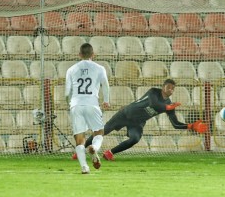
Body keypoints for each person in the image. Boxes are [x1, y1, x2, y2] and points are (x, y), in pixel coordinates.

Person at [74, 79, 209, 161]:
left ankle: (110, 153)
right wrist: (168, 107)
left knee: (135, 139)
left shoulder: (169, 105)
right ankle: (79, 151)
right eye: (169, 87)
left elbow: (175, 124)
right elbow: (154, 104)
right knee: (103, 131)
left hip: (137, 122)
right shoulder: (153, 92)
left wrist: (190, 126)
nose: (171, 90)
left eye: (173, 89)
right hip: (126, 114)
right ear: (163, 87)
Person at [65, 43, 110, 174]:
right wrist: (106, 100)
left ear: (79, 55)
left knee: (79, 139)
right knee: (99, 132)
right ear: (93, 55)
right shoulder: (100, 68)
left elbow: (67, 92)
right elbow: (105, 85)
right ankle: (94, 147)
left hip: (76, 105)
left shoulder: (71, 69)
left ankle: (84, 167)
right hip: (92, 104)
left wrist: (70, 103)